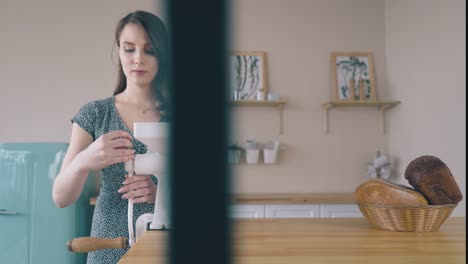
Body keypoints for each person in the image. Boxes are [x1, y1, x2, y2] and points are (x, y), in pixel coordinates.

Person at [52, 10, 170, 263]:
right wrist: (85, 159)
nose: (138, 59)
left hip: (166, 243)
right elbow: (61, 198)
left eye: (149, 50)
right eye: (129, 49)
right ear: (119, 52)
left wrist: (162, 192)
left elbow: (203, 190)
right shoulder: (95, 114)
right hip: (107, 243)